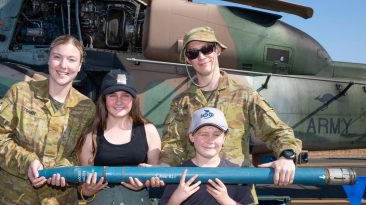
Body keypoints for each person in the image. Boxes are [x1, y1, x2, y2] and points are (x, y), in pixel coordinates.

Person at [160, 26, 302, 191]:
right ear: (187, 59)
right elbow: (173, 144)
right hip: (194, 192)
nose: (201, 56)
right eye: (193, 53)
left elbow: (277, 131)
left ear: (217, 50)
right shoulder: (181, 102)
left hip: (236, 191)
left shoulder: (243, 95)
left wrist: (286, 156)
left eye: (206, 49)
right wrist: (163, 166)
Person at [0, 35, 96, 204]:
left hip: (58, 200)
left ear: (80, 65)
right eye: (57, 57)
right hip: (13, 198)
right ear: (49, 60)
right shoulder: (21, 93)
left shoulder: (86, 108)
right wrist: (28, 162)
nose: (63, 65)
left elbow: (82, 155)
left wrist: (65, 170)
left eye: (71, 59)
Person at [76, 69, 162, 205]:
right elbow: (81, 183)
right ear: (104, 99)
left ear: (133, 99)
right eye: (112, 95)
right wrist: (86, 191)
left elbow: (155, 176)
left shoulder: (148, 131)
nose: (119, 101)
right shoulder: (91, 136)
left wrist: (145, 182)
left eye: (125, 95)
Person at [159, 107, 255, 205]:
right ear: (191, 136)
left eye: (216, 135)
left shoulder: (236, 173)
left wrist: (226, 200)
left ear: (224, 138)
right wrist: (176, 199)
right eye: (203, 134)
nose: (210, 140)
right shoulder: (180, 174)